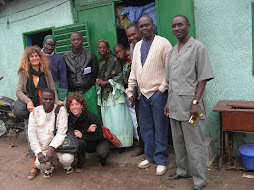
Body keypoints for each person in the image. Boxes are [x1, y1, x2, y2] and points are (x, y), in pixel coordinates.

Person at [164, 15, 214, 190]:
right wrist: (168, 102)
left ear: (188, 26)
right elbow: (171, 81)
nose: (176, 28)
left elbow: (203, 78)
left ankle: (200, 179)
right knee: (178, 142)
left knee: (195, 143)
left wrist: (195, 102)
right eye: (173, 25)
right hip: (175, 107)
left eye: (180, 25)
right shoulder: (172, 51)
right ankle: (183, 170)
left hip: (193, 109)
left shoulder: (198, 47)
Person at [126, 15, 172, 175]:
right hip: (142, 95)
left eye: (147, 25)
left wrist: (161, 88)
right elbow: (134, 71)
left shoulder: (163, 43)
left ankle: (161, 159)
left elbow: (169, 69)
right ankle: (150, 156)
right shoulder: (137, 46)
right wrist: (131, 90)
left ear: (153, 25)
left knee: (160, 128)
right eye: (141, 26)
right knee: (146, 128)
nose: (144, 28)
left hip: (158, 95)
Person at [16, 45, 62, 180]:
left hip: (46, 107)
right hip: (32, 110)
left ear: (40, 57)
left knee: (49, 133)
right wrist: (28, 101)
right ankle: (34, 166)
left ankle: (49, 160)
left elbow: (52, 87)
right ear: (28, 59)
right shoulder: (24, 72)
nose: (35, 58)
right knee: (32, 137)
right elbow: (18, 91)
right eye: (32, 56)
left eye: (37, 56)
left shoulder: (45, 71)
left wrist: (57, 100)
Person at [28, 88, 74, 178]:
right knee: (38, 163)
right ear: (41, 99)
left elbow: (61, 132)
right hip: (44, 147)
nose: (48, 101)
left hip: (60, 146)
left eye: (51, 99)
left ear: (54, 99)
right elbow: (32, 135)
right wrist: (38, 152)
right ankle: (50, 167)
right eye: (45, 99)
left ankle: (66, 166)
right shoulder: (34, 112)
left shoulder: (60, 110)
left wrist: (52, 148)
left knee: (67, 159)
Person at [96, 40, 133, 148]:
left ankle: (124, 144)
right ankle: (113, 143)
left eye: (104, 47)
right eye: (100, 47)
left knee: (118, 119)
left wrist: (106, 82)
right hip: (104, 96)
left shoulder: (114, 60)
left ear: (108, 48)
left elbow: (120, 76)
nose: (102, 49)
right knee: (109, 119)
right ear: (97, 50)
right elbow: (97, 75)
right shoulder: (98, 62)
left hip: (115, 94)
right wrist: (98, 81)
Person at [66, 92, 110, 172]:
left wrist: (83, 134)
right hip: (85, 142)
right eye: (72, 105)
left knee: (102, 153)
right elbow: (72, 134)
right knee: (80, 142)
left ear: (82, 106)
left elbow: (99, 136)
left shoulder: (91, 117)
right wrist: (87, 131)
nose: (74, 107)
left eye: (77, 104)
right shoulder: (69, 119)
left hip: (98, 141)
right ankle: (81, 162)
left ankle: (102, 159)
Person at [63, 32, 100, 117]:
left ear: (82, 41)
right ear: (70, 42)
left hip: (88, 91)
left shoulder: (90, 56)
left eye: (78, 39)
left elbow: (95, 73)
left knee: (92, 114)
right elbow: (64, 76)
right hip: (72, 92)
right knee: (74, 116)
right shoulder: (65, 58)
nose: (76, 42)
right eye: (73, 40)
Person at [113, 44, 139, 148]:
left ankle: (139, 138)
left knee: (135, 115)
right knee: (130, 116)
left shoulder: (130, 63)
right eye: (117, 52)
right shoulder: (118, 64)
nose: (119, 54)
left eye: (121, 51)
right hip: (125, 92)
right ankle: (135, 137)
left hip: (133, 91)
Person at [125, 23, 145, 157]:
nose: (132, 38)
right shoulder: (133, 47)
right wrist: (131, 90)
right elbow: (134, 71)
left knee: (154, 122)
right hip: (137, 91)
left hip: (151, 90)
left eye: (134, 34)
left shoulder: (150, 44)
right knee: (139, 120)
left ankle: (157, 149)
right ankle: (143, 146)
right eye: (129, 36)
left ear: (140, 31)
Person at [42, 35, 68, 101]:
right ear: (43, 44)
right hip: (40, 92)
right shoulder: (36, 57)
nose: (50, 48)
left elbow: (63, 78)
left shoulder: (59, 58)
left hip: (55, 92)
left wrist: (61, 96)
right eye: (48, 45)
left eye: (53, 46)